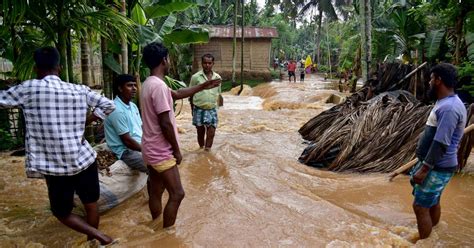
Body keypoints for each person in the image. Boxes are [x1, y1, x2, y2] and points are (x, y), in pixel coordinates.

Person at [0, 47, 116, 245]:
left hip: (55, 166)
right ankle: (93, 242)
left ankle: (100, 237)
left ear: (36, 68)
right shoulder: (79, 90)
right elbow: (108, 105)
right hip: (84, 159)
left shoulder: (29, 89)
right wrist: (86, 121)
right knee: (91, 205)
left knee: (61, 213)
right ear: (59, 68)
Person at [140, 42, 221, 228]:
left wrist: (204, 86)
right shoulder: (158, 87)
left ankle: (154, 226)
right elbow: (166, 123)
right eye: (168, 58)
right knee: (177, 194)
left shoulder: (149, 83)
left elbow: (176, 94)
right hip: (161, 151)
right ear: (164, 60)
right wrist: (176, 150)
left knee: (156, 191)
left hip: (149, 148)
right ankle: (166, 234)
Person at [410, 63, 466, 240]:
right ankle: (433, 236)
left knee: (420, 207)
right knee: (432, 202)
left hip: (436, 167)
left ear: (438, 80)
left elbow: (441, 143)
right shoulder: (447, 103)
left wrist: (424, 169)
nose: (428, 82)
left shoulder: (449, 108)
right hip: (438, 165)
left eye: (431, 78)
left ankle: (424, 242)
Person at [104, 74, 146, 172]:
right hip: (126, 151)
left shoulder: (133, 106)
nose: (134, 88)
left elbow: (141, 128)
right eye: (129, 85)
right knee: (156, 168)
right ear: (120, 88)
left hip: (139, 144)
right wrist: (147, 150)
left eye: (135, 85)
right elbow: (127, 141)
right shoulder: (116, 109)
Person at [189, 54, 222, 151]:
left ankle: (207, 152)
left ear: (213, 64)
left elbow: (219, 94)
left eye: (209, 63)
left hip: (212, 109)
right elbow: (191, 93)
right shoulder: (195, 77)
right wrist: (192, 109)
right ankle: (201, 150)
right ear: (202, 63)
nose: (207, 65)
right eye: (205, 63)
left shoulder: (217, 78)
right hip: (198, 108)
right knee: (200, 132)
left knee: (211, 132)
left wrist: (218, 108)